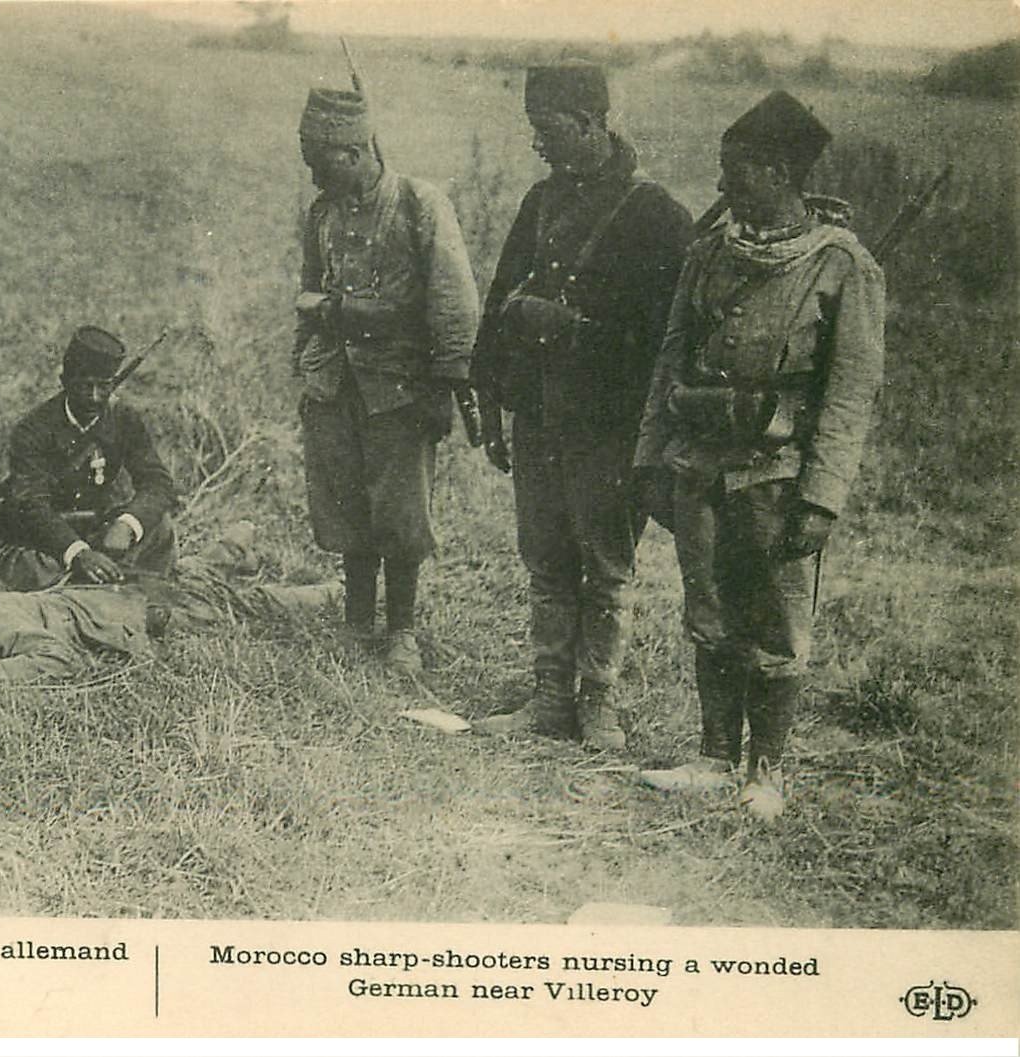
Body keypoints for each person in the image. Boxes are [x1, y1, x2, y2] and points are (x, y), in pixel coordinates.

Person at [633, 90, 886, 820]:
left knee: (775, 627)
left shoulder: (842, 266)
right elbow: (670, 359)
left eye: (738, 171)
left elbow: (849, 396)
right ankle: (714, 757)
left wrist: (821, 497)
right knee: (708, 611)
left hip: (778, 476)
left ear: (779, 173)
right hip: (700, 463)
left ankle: (765, 772)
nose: (723, 186)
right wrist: (651, 459)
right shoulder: (709, 252)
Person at [467, 61, 693, 749]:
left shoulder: (659, 217)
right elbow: (499, 303)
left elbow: (666, 342)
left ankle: (598, 701)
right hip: (539, 415)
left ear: (593, 125)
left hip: (608, 427)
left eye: (550, 130)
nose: (538, 145)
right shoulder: (540, 203)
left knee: (606, 562)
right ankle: (548, 699)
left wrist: (570, 329)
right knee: (544, 557)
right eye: (534, 130)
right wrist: (494, 397)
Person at [293, 85, 481, 676]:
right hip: (334, 384)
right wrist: (311, 353)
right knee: (346, 501)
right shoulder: (321, 213)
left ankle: (400, 630)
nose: (314, 176)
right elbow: (307, 291)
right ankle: (355, 621)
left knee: (399, 512)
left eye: (320, 163)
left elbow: (454, 301)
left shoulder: (419, 204)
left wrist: (447, 381)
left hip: (401, 388)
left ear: (351, 152)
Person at [0, 523, 342, 687]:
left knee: (242, 608)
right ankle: (228, 550)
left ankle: (334, 591)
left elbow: (57, 658)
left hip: (141, 617)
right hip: (118, 601)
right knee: (189, 581)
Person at [0, 325, 178, 593]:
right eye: (86, 386)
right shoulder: (32, 431)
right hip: (44, 538)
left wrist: (127, 524)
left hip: (97, 527)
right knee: (35, 574)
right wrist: (77, 553)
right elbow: (32, 505)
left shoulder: (125, 419)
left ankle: (121, 585)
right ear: (65, 381)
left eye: (104, 386)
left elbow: (158, 483)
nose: (95, 397)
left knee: (160, 528)